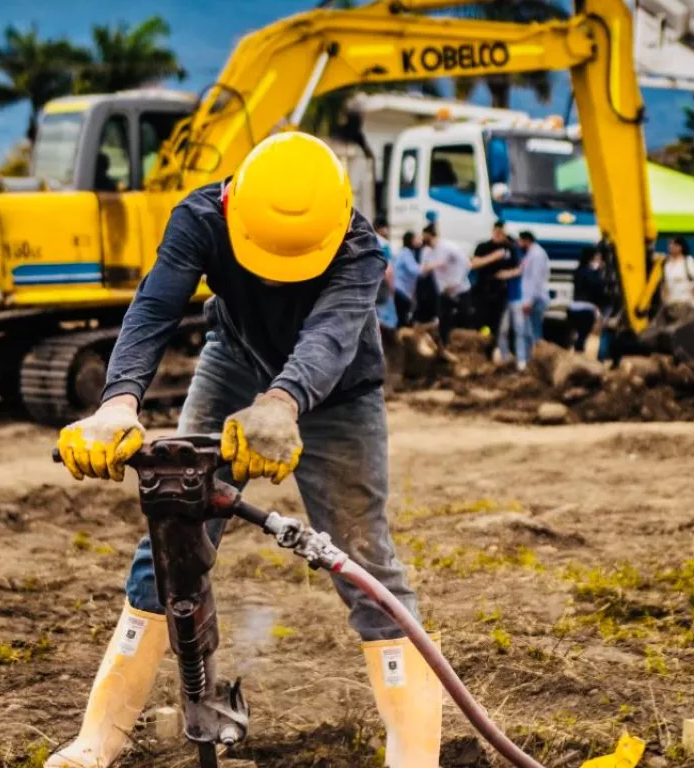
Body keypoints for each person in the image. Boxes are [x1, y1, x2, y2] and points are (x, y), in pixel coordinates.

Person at [48, 133, 439, 768]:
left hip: (336, 391)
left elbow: (330, 338)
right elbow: (154, 308)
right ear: (233, 207)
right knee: (173, 527)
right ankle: (98, 739)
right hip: (233, 364)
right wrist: (118, 403)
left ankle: (414, 757)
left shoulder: (359, 247)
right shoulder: (201, 217)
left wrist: (282, 404)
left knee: (368, 559)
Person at [469, 220, 521, 357]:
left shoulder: (510, 248)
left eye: (502, 232)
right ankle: (479, 350)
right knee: (480, 322)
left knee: (497, 324)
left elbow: (519, 268)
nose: (500, 235)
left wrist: (507, 274)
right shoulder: (484, 246)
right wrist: (493, 257)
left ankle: (493, 350)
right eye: (497, 232)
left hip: (500, 292)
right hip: (482, 291)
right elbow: (474, 263)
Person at [421, 223, 472, 346]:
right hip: (443, 292)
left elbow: (467, 264)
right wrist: (432, 266)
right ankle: (444, 347)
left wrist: (456, 282)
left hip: (460, 290)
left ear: (432, 236)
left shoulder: (448, 247)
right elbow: (423, 270)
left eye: (425, 236)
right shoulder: (426, 252)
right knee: (443, 321)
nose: (423, 239)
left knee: (465, 319)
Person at [567, 248, 609, 353]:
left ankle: (575, 353)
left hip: (573, 307)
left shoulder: (578, 270)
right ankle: (579, 355)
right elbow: (598, 289)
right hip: (586, 309)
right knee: (582, 336)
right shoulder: (593, 273)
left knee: (577, 335)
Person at [517, 230, 551, 351]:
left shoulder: (537, 255)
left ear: (526, 241)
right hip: (532, 298)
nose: (518, 244)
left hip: (535, 299)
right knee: (529, 331)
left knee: (533, 332)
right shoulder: (532, 253)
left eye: (520, 241)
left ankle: (535, 358)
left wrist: (529, 301)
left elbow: (535, 279)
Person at [661, 237, 694, 310]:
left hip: (686, 301)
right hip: (670, 302)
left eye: (674, 244)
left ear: (680, 247)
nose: (671, 246)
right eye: (670, 244)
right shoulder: (667, 263)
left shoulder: (688, 261)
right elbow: (664, 282)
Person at [373, 217, 399, 330]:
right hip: (383, 287)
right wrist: (392, 288)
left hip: (371, 286)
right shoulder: (383, 244)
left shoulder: (368, 240)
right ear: (381, 229)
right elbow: (388, 270)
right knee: (388, 321)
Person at [392, 231, 422, 327]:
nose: (419, 241)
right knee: (403, 318)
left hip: (401, 290)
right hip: (401, 290)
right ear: (411, 240)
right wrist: (427, 267)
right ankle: (401, 339)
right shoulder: (406, 253)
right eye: (416, 239)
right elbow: (414, 270)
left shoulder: (405, 252)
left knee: (402, 317)